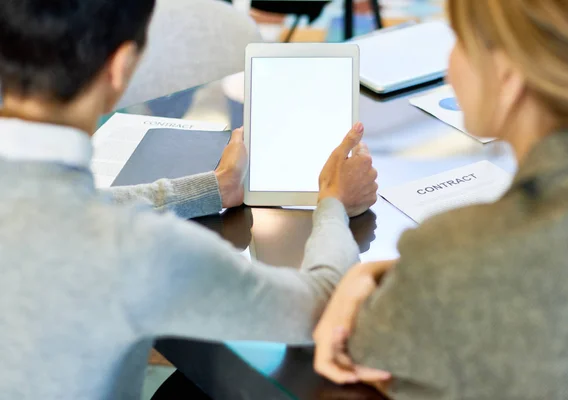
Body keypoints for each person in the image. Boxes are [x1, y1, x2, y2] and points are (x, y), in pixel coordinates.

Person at [0, 1, 378, 399]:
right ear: (121, 66)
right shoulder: (136, 249)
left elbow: (64, 207)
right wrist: (332, 203)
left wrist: (215, 187)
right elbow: (319, 307)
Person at [313, 0, 568, 399]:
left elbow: (359, 350)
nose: (449, 67)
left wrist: (361, 274)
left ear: (507, 75)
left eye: (460, 43)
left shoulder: (457, 250)